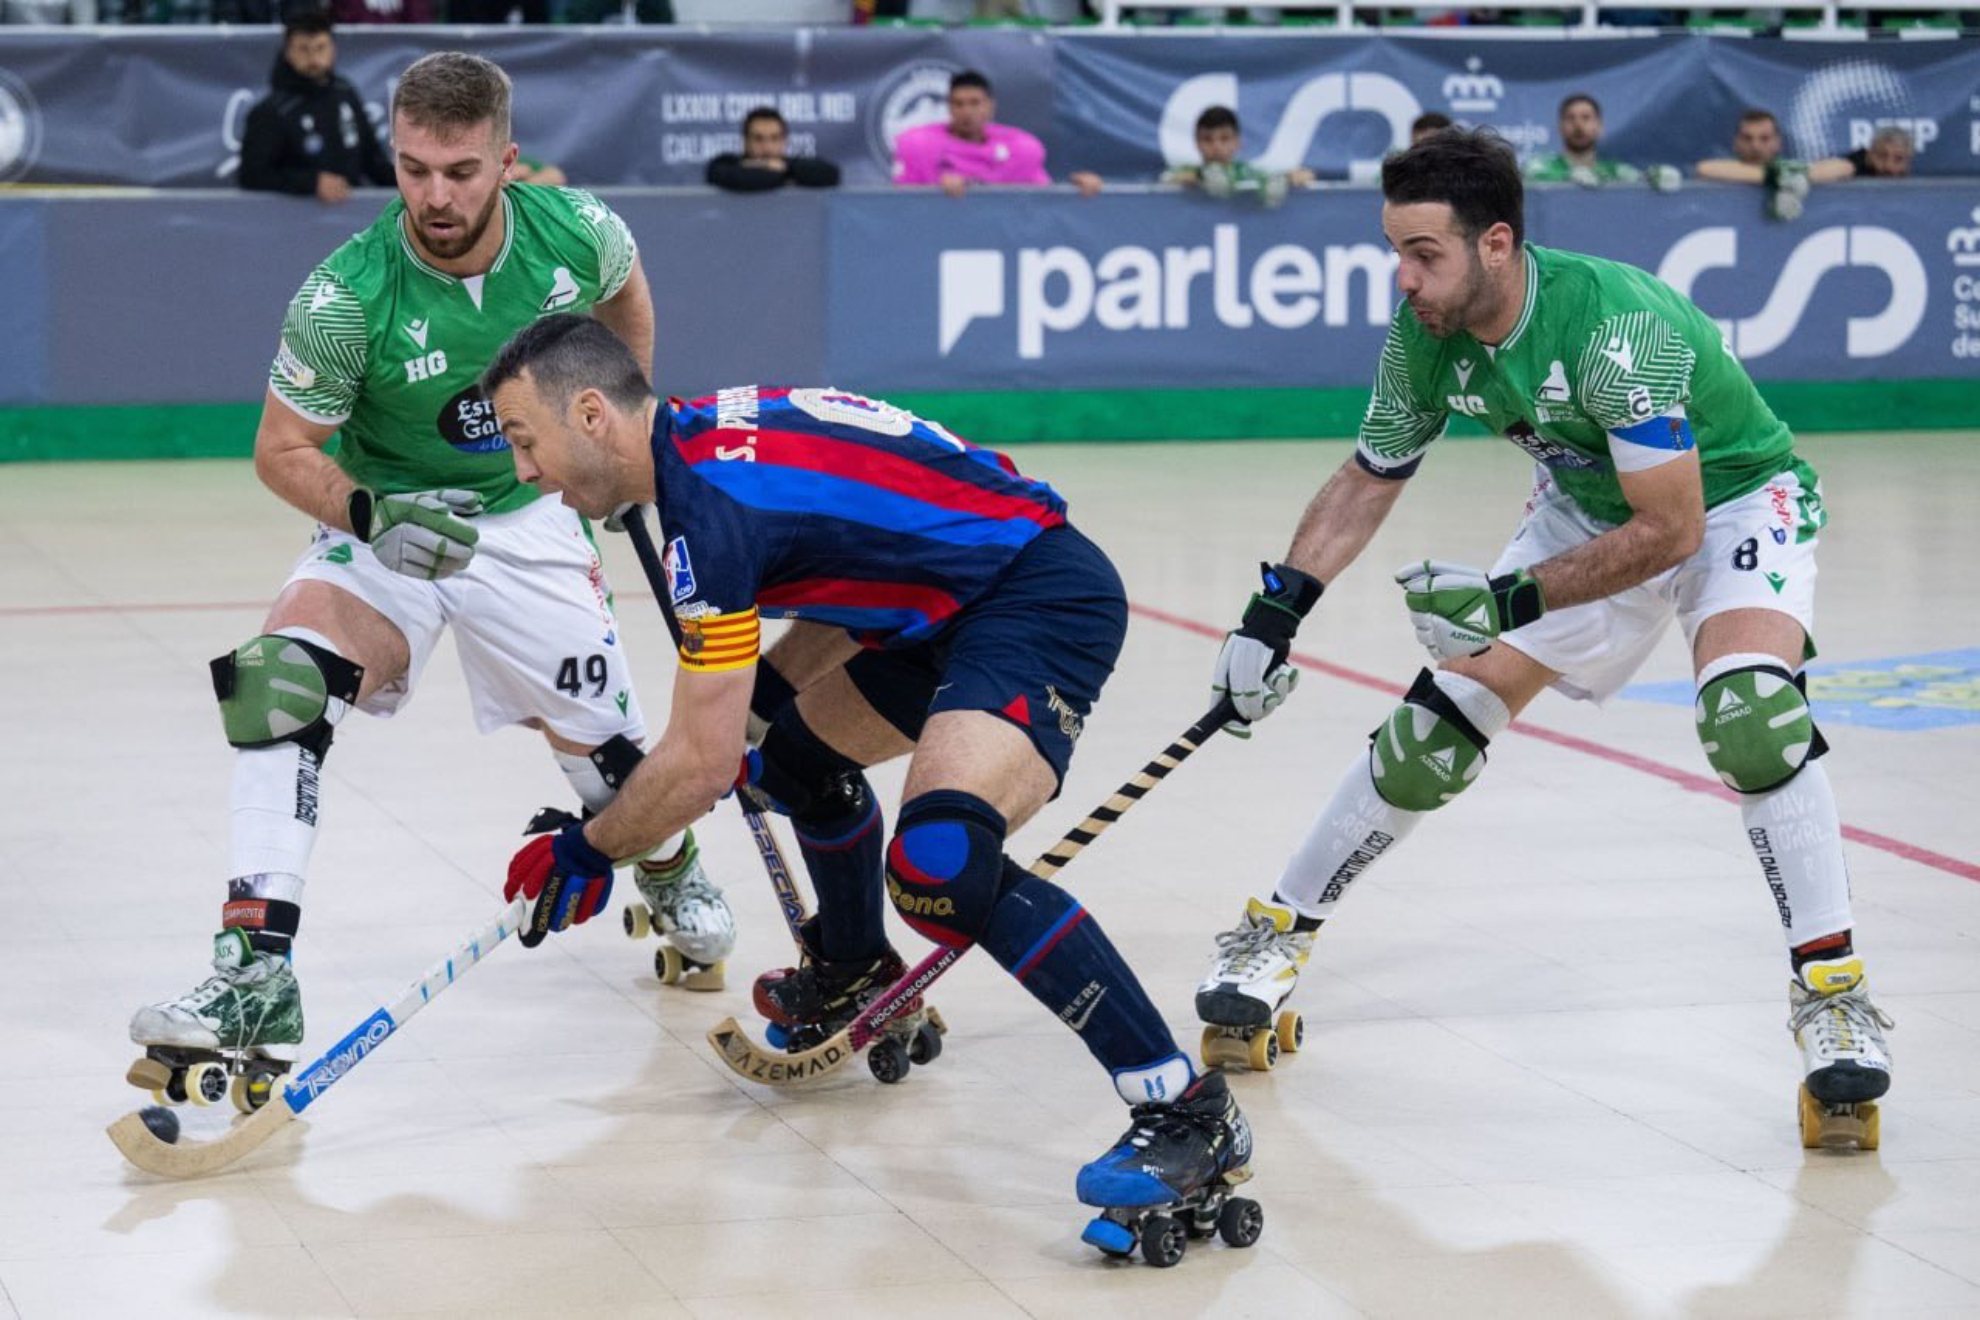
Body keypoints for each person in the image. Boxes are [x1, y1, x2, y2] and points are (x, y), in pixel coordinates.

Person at [480, 316, 1256, 1245]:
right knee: (790, 763)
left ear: (593, 413)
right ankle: (853, 968)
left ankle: (1185, 1109)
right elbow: (854, 557)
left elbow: (699, 764)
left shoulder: (708, 513)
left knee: (939, 865)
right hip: (930, 606)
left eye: (525, 441)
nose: (524, 472)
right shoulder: (702, 449)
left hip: (1031, 595)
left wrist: (590, 848)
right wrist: (754, 713)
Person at [1198, 129, 1892, 1149]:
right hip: (1584, 504)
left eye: (1424, 254)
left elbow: (1674, 529)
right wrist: (1273, 614)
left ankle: (1831, 990)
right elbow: (1366, 478)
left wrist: (1507, 602)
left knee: (1752, 718)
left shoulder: (1618, 330)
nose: (1404, 279)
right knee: (1432, 734)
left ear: (1496, 244)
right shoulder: (1422, 336)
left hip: (1734, 504)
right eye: (1394, 251)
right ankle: (1274, 934)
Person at [127, 53, 735, 1114]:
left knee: (609, 759)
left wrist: (621, 447)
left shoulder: (578, 231)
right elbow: (280, 449)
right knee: (275, 679)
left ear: (507, 160)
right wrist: (369, 513)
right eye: (412, 171)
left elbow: (625, 302)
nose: (435, 198)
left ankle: (669, 864)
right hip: (389, 522)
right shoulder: (344, 298)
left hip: (531, 516)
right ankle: (254, 976)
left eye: (459, 171)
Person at [238, 12, 394, 205]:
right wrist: (310, 183)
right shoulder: (271, 111)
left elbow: (372, 159)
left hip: (353, 219)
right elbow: (252, 175)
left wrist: (408, 183)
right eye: (303, 49)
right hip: (295, 222)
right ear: (288, 52)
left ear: (332, 49)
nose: (313, 58)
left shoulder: (345, 93)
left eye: (320, 48)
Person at [892, 70, 1100, 199]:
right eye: (958, 104)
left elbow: (1043, 201)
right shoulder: (917, 145)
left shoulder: (1022, 148)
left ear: (990, 106)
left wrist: (1073, 190)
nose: (967, 111)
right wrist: (935, 193)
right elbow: (898, 204)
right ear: (949, 107)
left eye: (975, 103)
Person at [1162, 105, 1314, 206]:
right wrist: (1200, 177)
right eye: (1207, 139)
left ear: (1237, 142)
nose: (1217, 147)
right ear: (1197, 143)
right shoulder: (1187, 171)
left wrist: (1291, 178)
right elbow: (1166, 181)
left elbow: (1302, 176)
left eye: (1225, 138)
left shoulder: (1250, 173)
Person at [705, 106, 841, 193]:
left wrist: (785, 169)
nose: (767, 147)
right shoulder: (728, 164)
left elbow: (831, 174)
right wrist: (775, 172)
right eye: (758, 139)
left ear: (784, 141)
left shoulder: (794, 166)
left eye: (774, 138)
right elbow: (739, 179)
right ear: (745, 141)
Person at [1845, 126, 1914, 178]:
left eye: (1898, 159)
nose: (1888, 166)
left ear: (1909, 161)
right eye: (1882, 156)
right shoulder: (1854, 163)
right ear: (1870, 154)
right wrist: (1848, 167)